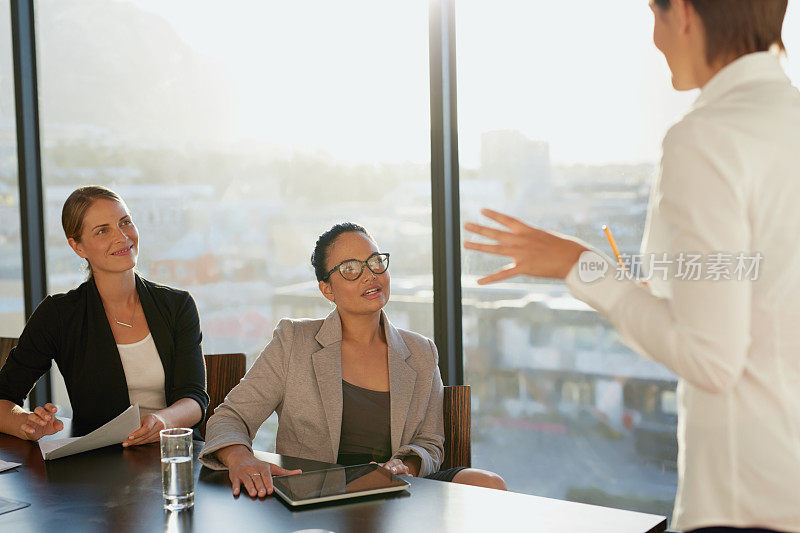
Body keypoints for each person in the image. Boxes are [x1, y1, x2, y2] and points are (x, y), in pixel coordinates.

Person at [463, 1, 799, 532]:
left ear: (684, 12)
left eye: (654, 15)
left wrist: (583, 267)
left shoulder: (708, 137)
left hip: (748, 505)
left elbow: (711, 358)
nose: (656, 37)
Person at [199, 223, 506, 498]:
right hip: (319, 490)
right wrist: (241, 458)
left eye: (375, 262)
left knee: (489, 484)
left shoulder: (421, 351)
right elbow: (230, 417)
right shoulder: (293, 341)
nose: (370, 275)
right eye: (350, 268)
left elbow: (430, 441)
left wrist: (405, 466)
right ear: (327, 289)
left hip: (399, 489)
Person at [0, 186, 209, 445]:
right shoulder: (59, 314)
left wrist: (162, 422)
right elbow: (3, 398)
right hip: (100, 462)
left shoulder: (178, 305)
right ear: (77, 247)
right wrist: (26, 423)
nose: (122, 237)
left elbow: (194, 399)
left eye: (125, 222)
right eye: (102, 231)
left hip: (174, 454)